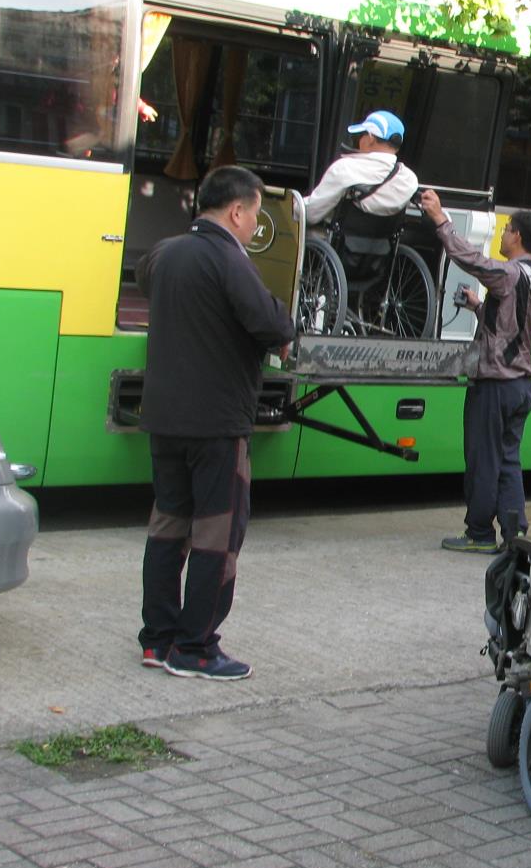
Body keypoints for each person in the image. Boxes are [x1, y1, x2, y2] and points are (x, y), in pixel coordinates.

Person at [136, 165, 295, 681]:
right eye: (254, 215)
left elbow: (152, 284)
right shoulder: (229, 258)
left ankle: (157, 640)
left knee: (167, 527)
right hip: (215, 423)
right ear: (236, 210)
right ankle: (196, 649)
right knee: (216, 536)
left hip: (163, 418)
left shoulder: (164, 253)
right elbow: (271, 323)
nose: (254, 226)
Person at [418, 190, 531, 553]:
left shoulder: (509, 274)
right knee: (509, 461)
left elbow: (471, 259)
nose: (504, 232)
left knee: (483, 459)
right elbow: (511, 330)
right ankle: (514, 536)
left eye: (507, 228)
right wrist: (480, 308)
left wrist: (440, 220)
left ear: (518, 238)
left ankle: (478, 532)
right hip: (522, 386)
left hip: (495, 384)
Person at [303, 110, 419, 225]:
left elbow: (310, 215)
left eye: (361, 134)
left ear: (370, 138)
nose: (359, 140)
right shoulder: (409, 179)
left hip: (339, 241)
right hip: (383, 243)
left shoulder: (345, 168)